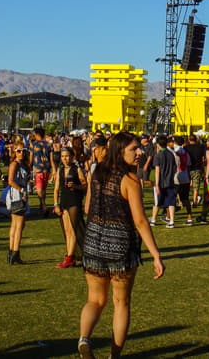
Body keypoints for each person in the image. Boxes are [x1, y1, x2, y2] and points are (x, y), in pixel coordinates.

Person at [78, 132, 165, 359]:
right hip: (120, 246)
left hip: (93, 243)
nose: (140, 153)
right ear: (119, 151)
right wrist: (155, 254)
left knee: (94, 300)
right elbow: (140, 221)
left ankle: (84, 338)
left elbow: (87, 207)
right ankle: (114, 356)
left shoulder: (96, 172)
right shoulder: (130, 180)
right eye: (133, 149)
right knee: (121, 303)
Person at [54, 146, 88, 268]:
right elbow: (56, 189)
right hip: (64, 201)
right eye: (63, 156)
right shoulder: (60, 170)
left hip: (74, 201)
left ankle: (70, 257)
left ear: (72, 157)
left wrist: (75, 186)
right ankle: (69, 256)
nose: (65, 158)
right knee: (67, 231)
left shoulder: (77, 169)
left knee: (74, 230)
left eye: (67, 156)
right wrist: (55, 204)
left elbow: (85, 186)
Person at [4, 145, 32, 264]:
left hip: (19, 194)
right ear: (14, 152)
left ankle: (11, 251)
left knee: (15, 225)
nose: (21, 153)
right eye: (18, 151)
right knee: (19, 225)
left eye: (23, 151)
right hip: (16, 195)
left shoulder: (23, 164)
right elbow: (10, 181)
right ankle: (15, 252)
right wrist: (22, 190)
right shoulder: (14, 164)